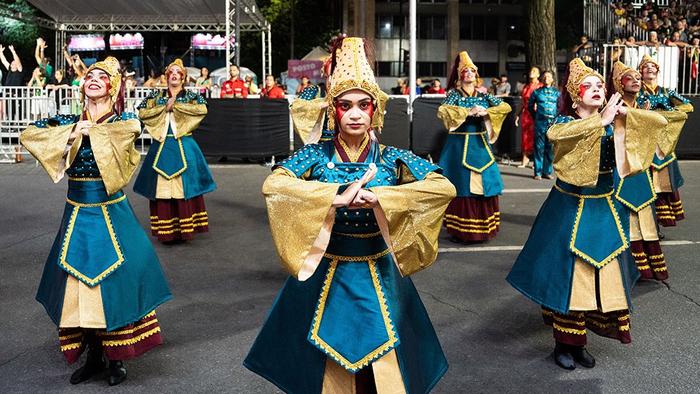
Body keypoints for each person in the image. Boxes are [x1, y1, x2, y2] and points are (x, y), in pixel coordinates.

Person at [245, 36, 455, 393]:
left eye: (363, 105)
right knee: (327, 359)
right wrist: (334, 198)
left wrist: (382, 199)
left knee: (387, 360)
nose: (355, 114)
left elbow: (442, 187)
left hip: (380, 269)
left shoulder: (390, 157)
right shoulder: (315, 155)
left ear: (375, 109)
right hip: (328, 270)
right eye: (345, 106)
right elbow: (275, 185)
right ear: (333, 110)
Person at [19, 56, 172, 386]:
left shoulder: (122, 122)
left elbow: (125, 136)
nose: (94, 79)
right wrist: (74, 130)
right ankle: (94, 356)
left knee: (115, 284)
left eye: (102, 77)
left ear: (112, 86)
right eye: (90, 74)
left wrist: (91, 133)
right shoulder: (68, 120)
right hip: (75, 215)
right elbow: (29, 135)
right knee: (78, 289)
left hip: (110, 213)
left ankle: (117, 359)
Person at [507, 58, 667, 371]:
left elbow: (659, 126)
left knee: (599, 279)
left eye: (599, 86)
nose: (596, 90)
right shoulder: (565, 124)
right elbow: (555, 137)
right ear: (576, 95)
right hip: (570, 212)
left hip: (605, 211)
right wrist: (601, 121)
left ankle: (580, 345)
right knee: (571, 280)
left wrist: (627, 114)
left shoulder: (613, 121)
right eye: (588, 87)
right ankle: (564, 344)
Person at [133, 59, 216, 243]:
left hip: (184, 144)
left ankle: (185, 230)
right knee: (161, 188)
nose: (175, 75)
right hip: (161, 145)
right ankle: (167, 231)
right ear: (167, 76)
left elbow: (202, 109)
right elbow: (142, 111)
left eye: (179, 72)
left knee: (185, 186)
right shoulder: (156, 95)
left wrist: (175, 106)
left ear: (184, 76)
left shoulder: (190, 96)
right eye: (172, 72)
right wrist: (164, 106)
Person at [437, 50, 512, 242]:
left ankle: (483, 227)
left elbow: (504, 107)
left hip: (479, 143)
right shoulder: (455, 95)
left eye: (472, 70)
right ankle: (461, 230)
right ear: (460, 75)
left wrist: (486, 112)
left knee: (485, 180)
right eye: (466, 71)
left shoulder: (483, 94)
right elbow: (444, 110)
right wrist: (467, 112)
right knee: (461, 184)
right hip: (459, 144)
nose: (469, 73)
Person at [610, 61, 669, 281]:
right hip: (621, 171)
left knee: (644, 214)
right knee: (625, 217)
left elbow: (659, 125)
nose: (636, 80)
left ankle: (649, 267)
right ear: (618, 82)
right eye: (629, 77)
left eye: (637, 77)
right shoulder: (613, 107)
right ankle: (631, 269)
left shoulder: (642, 105)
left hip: (641, 170)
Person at [637, 54, 693, 227]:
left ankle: (658, 223)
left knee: (663, 187)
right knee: (646, 187)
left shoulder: (667, 91)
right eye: (646, 66)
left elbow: (688, 106)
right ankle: (649, 223)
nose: (650, 68)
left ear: (658, 71)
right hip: (645, 144)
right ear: (641, 72)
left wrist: (665, 116)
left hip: (664, 145)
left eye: (653, 66)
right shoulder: (637, 92)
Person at [527, 70, 559, 180]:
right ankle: (538, 172)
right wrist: (536, 116)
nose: (546, 78)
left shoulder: (556, 93)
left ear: (552, 79)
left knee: (550, 148)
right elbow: (530, 106)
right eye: (545, 77)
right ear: (542, 79)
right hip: (540, 122)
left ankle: (547, 171)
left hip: (552, 123)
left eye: (549, 77)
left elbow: (560, 106)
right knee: (539, 147)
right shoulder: (537, 92)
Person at [516, 66, 542, 168]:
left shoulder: (541, 86)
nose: (532, 72)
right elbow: (522, 102)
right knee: (525, 137)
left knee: (537, 137)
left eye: (535, 71)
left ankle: (537, 162)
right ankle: (525, 160)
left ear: (538, 75)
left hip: (537, 114)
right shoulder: (526, 87)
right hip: (526, 115)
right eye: (531, 70)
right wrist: (517, 115)